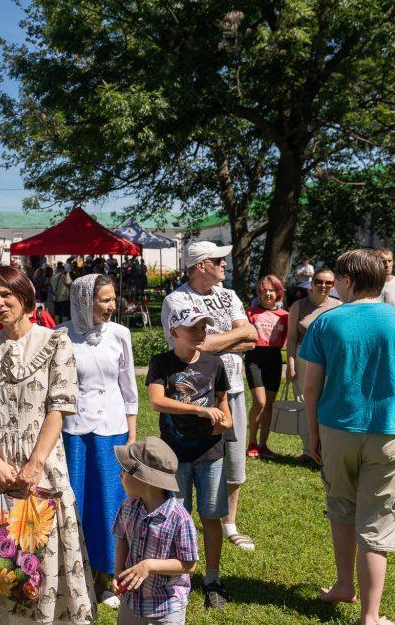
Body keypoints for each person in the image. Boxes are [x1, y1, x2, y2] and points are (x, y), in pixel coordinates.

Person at [0, 265, 95, 623]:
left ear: (24, 295)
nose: (0, 303)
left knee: (41, 553)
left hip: (42, 459)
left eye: (7, 294)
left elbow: (59, 406)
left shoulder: (55, 342)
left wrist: (34, 464)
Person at [297, 248, 395, 624]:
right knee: (378, 518)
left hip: (337, 429)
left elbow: (311, 387)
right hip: (391, 431)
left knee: (342, 507)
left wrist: (312, 435)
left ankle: (343, 585)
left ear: (348, 281)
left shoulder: (325, 322)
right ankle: (371, 615)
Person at [160, 241, 257, 554]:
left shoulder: (228, 295)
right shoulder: (177, 299)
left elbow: (252, 336)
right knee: (196, 456)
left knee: (235, 460)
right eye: (219, 260)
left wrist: (213, 343)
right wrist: (232, 340)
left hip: (234, 388)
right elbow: (192, 346)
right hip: (194, 392)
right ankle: (183, 524)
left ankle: (229, 522)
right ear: (201, 265)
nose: (225, 265)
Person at [57, 274, 138, 609]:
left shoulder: (120, 334)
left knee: (109, 503)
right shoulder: (60, 335)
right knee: (75, 501)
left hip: (112, 431)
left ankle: (107, 578)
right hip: (73, 432)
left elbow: (129, 387)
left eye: (113, 298)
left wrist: (131, 434)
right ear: (83, 301)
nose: (112, 305)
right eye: (104, 299)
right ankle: (76, 575)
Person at [148, 305, 233, 610]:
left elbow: (224, 407)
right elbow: (157, 402)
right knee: (174, 517)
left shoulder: (214, 364)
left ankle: (212, 579)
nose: (200, 333)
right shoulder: (162, 363)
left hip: (211, 454)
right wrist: (199, 409)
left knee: (211, 516)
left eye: (204, 327)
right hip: (174, 455)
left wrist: (225, 421)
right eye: (193, 327)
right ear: (174, 332)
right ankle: (174, 575)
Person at [112, 437, 199, 625]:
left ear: (144, 479)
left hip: (166, 607)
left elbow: (189, 564)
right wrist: (118, 571)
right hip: (131, 601)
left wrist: (149, 565)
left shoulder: (179, 518)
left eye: (125, 471)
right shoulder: (128, 506)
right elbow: (122, 538)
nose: (121, 475)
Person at [286, 268, 341, 462]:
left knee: (326, 401)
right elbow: (291, 338)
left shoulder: (339, 306)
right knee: (303, 402)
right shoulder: (298, 306)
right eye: (318, 281)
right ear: (311, 282)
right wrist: (290, 364)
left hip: (329, 359)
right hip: (303, 359)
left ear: (334, 285)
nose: (323, 286)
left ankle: (327, 448)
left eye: (328, 283)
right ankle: (308, 450)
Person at [244, 275, 289, 459]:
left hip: (274, 359)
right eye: (264, 290)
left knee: (269, 404)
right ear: (259, 293)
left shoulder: (285, 316)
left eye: (272, 290)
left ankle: (263, 445)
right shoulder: (250, 313)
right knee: (260, 402)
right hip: (255, 357)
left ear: (278, 293)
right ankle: (252, 442)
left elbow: (288, 341)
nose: (268, 293)